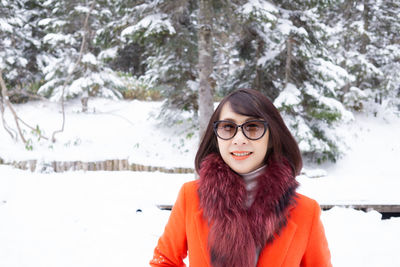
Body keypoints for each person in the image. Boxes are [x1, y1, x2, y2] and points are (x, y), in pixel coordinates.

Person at [150, 89, 332, 267]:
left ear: (272, 137)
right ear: (216, 137)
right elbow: (164, 261)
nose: (239, 139)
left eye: (252, 127)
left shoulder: (306, 212)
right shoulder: (190, 196)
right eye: (228, 127)